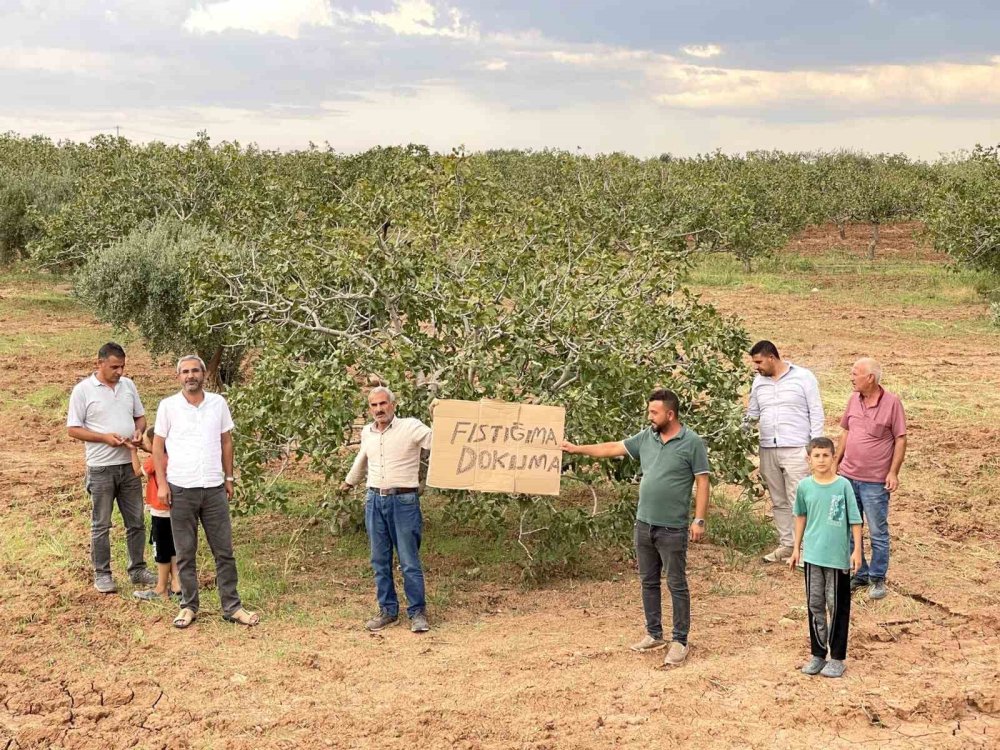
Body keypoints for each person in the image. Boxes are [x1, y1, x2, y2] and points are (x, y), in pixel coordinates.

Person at [562, 389, 710, 667]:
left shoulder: (692, 443)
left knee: (676, 584)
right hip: (644, 523)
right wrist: (576, 448)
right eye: (649, 412)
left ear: (670, 414)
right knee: (648, 581)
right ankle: (654, 633)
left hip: (673, 527)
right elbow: (611, 448)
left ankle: (680, 640)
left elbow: (703, 481)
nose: (649, 417)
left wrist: (699, 519)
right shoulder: (647, 437)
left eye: (654, 412)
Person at [153, 355, 259, 628]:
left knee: (224, 551)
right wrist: (162, 484)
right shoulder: (168, 406)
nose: (190, 376)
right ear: (179, 377)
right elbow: (157, 446)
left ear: (203, 374)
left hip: (213, 488)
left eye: (195, 371)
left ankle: (232, 606)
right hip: (180, 488)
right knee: (186, 552)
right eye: (185, 372)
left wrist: (229, 477)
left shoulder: (218, 403)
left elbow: (226, 441)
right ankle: (188, 606)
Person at [341, 386, 433, 633]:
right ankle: (388, 611)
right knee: (379, 559)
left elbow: (436, 441)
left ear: (393, 404)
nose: (379, 409)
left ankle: (417, 613)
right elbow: (362, 459)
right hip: (374, 500)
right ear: (369, 408)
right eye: (374, 405)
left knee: (408, 560)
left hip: (403, 502)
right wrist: (349, 483)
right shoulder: (368, 432)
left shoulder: (410, 426)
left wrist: (440, 416)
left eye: (383, 404)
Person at [67, 342, 156, 593]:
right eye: (114, 367)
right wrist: (104, 437)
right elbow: (73, 429)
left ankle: (137, 568)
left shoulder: (128, 386)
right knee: (101, 524)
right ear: (100, 363)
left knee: (136, 521)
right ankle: (103, 573)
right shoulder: (83, 391)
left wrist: (138, 431)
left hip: (129, 466)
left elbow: (140, 416)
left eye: (122, 367)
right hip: (101, 468)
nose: (119, 372)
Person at [744, 340, 825, 563]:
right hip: (768, 447)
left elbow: (816, 412)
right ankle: (787, 544)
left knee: (798, 498)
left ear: (772, 357)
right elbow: (752, 414)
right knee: (778, 499)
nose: (756, 367)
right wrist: (736, 433)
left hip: (796, 447)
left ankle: (808, 550)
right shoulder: (758, 383)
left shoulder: (804, 377)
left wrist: (814, 447)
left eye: (759, 362)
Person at [788, 437, 862, 679]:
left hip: (837, 559)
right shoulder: (805, 487)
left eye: (826, 455)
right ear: (809, 460)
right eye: (816, 456)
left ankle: (837, 658)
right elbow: (800, 517)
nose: (821, 460)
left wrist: (857, 551)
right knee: (815, 604)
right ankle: (817, 654)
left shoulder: (843, 486)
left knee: (838, 606)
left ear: (833, 457)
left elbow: (855, 520)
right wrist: (796, 548)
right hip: (812, 557)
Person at [834, 357, 907, 600]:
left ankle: (877, 578)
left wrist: (893, 472)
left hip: (875, 482)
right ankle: (860, 572)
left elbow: (900, 439)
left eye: (855, 374)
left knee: (877, 531)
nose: (851, 377)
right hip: (848, 477)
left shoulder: (892, 403)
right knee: (849, 528)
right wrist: (836, 461)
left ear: (870, 378)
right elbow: (846, 431)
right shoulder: (853, 400)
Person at [130, 427, 181, 602]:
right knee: (174, 547)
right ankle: (177, 583)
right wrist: (146, 446)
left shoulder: (155, 460)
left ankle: (160, 588)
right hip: (175, 509)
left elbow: (137, 471)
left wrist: (132, 451)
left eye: (145, 442)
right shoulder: (173, 456)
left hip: (160, 510)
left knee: (161, 550)